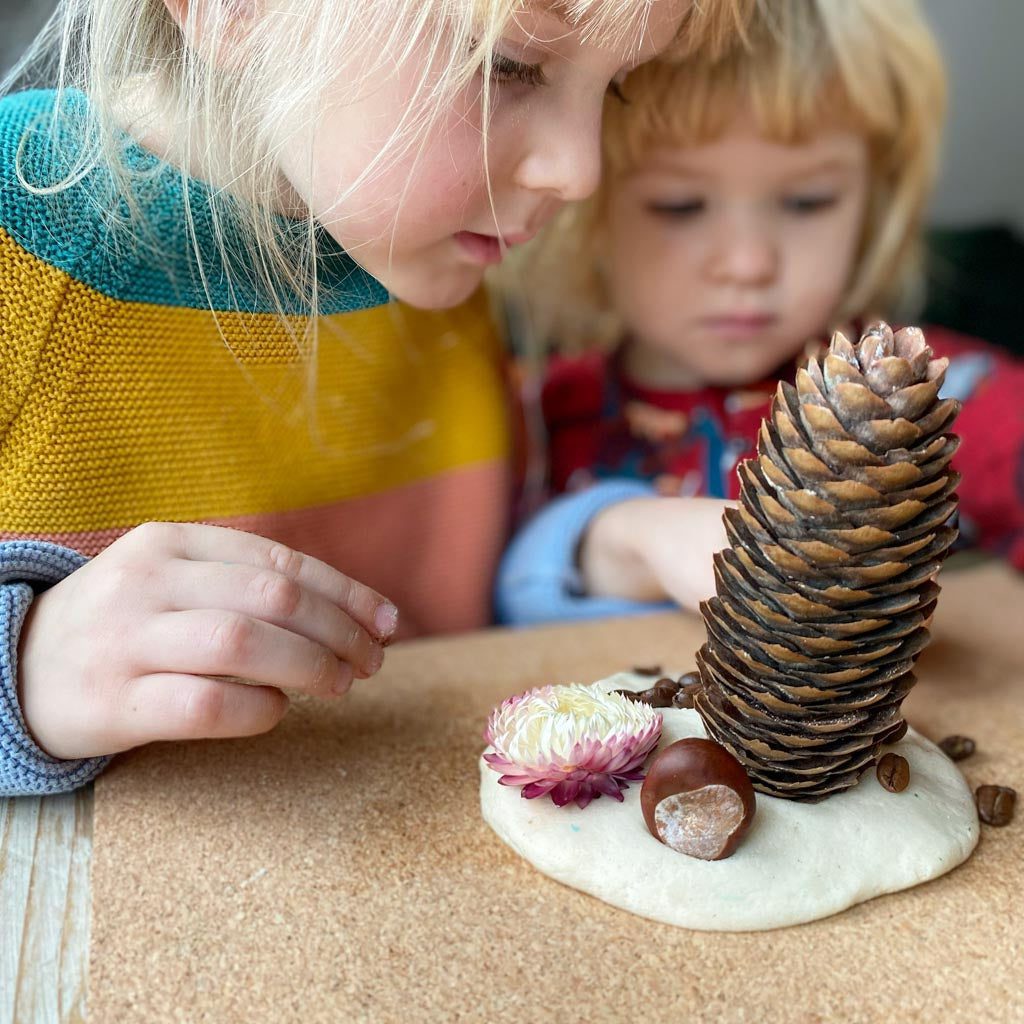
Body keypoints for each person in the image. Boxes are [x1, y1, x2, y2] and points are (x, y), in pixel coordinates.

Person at [0, 0, 753, 796]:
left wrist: (618, 541)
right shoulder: (20, 238)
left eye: (618, 86)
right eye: (509, 65)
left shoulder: (439, 265)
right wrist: (25, 669)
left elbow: (461, 599)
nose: (582, 169)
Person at [496, 0, 1024, 626]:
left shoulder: (941, 398)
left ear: (872, 204)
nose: (748, 263)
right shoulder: (531, 418)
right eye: (680, 205)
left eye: (807, 201)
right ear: (583, 213)